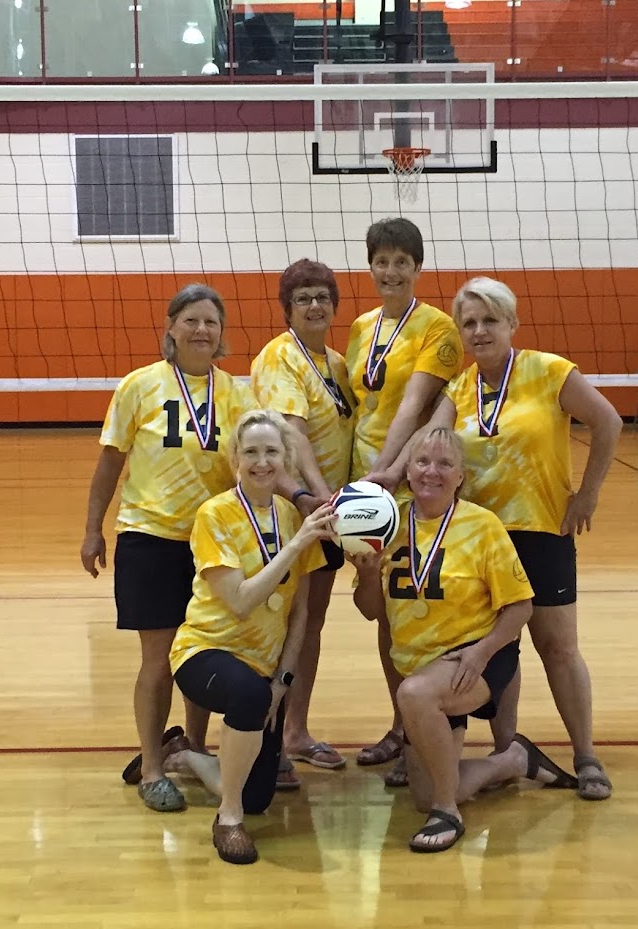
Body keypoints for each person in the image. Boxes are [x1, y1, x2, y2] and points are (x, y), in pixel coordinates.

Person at [383, 277, 622, 801]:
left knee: (558, 647)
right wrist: (387, 474)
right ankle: (506, 747)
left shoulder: (548, 371)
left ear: (512, 324)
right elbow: (426, 444)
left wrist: (588, 494)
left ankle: (585, 755)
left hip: (541, 531)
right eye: (469, 322)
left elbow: (608, 422)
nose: (479, 330)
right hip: (476, 541)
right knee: (495, 646)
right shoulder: (460, 388)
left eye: (490, 320)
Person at [351, 426, 577, 854]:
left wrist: (482, 651)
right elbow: (371, 611)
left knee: (415, 697)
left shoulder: (482, 525)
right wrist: (366, 574)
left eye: (444, 464)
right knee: (421, 792)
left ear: (460, 477)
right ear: (408, 470)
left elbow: (520, 607)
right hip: (421, 663)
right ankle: (513, 760)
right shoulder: (389, 522)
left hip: (477, 656)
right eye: (421, 462)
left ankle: (448, 812)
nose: (431, 472)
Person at [80, 284, 257, 813]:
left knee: (200, 651)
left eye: (212, 322)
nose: (202, 330)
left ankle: (195, 750)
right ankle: (153, 766)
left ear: (222, 334)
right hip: (149, 537)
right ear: (171, 327)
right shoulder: (139, 386)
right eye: (192, 321)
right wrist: (93, 529)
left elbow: (254, 467)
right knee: (157, 659)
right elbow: (110, 463)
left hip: (212, 544)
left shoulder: (237, 394)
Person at [165, 410, 334, 865]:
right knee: (247, 696)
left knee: (260, 794)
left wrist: (284, 680)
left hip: (264, 671)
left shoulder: (288, 514)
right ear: (236, 457)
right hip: (204, 651)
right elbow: (240, 600)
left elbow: (300, 611)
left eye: (272, 452)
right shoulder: (214, 513)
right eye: (251, 452)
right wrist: (296, 545)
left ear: (286, 459)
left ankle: (187, 756)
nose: (262, 462)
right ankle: (228, 818)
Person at [344, 217, 464, 783]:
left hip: (408, 481)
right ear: (370, 266)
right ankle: (400, 725)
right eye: (381, 261)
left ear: (418, 268)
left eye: (401, 262)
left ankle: (419, 725)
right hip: (365, 485)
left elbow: (414, 405)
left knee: (418, 604)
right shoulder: (362, 324)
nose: (390, 271)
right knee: (385, 608)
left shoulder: (438, 326)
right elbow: (356, 407)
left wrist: (388, 473)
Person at [250, 259, 356, 779]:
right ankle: (267, 740)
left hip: (328, 516)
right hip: (296, 512)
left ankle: (294, 731)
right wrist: (318, 496)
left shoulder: (337, 362)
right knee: (284, 626)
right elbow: (291, 434)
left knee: (310, 625)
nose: (315, 306)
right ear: (288, 308)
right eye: (303, 298)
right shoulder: (280, 357)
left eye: (322, 297)